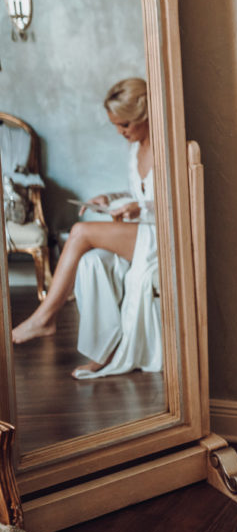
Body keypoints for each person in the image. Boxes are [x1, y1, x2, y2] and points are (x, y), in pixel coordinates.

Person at [12, 78, 162, 380]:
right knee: (91, 262)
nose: (121, 132)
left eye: (125, 125)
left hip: (162, 234)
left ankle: (44, 317)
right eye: (116, 125)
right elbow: (142, 191)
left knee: (81, 232)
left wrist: (141, 208)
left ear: (145, 116)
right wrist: (111, 198)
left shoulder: (166, 148)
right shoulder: (135, 149)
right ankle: (101, 352)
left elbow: (174, 202)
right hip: (140, 230)